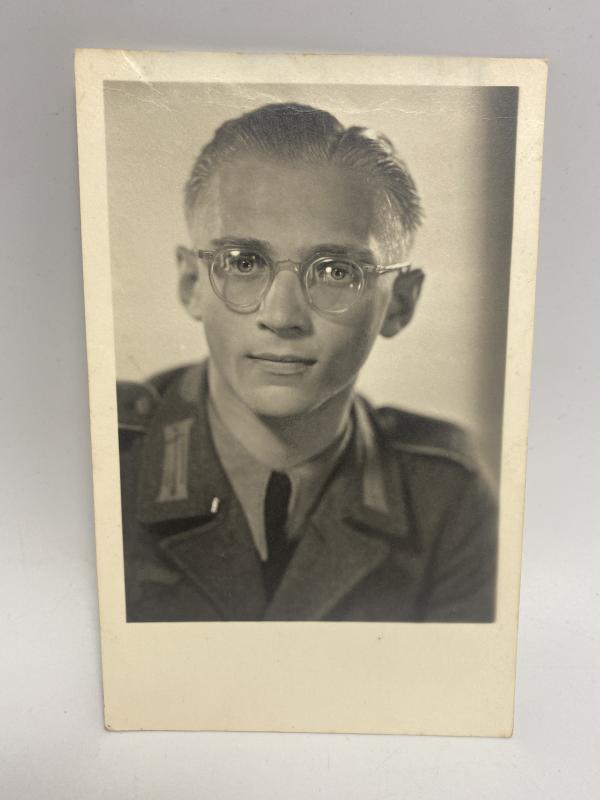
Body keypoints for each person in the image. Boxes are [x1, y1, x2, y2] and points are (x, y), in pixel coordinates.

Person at [118, 102, 497, 623]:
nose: (282, 315)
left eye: (337, 271)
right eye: (244, 263)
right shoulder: (108, 457)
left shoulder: (446, 499)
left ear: (401, 301)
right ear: (191, 285)